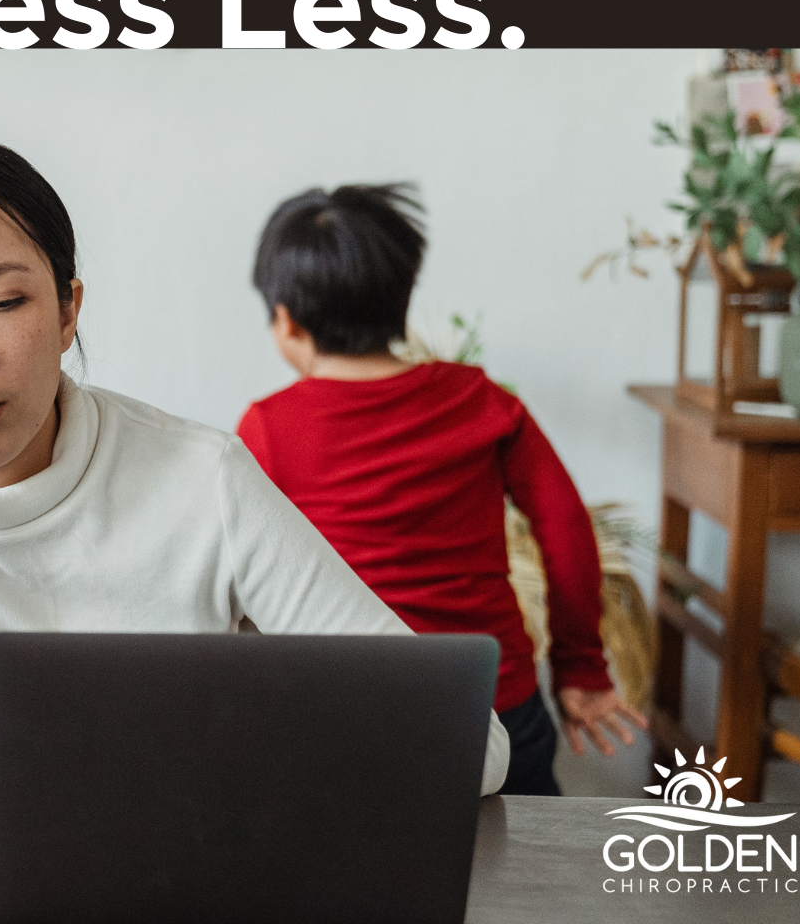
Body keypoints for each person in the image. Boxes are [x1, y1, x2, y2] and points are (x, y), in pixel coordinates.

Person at [0, 134, 509, 798]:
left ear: (66, 311)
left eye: (5, 302)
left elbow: (471, 751)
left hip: (173, 872)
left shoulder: (202, 478)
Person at [234, 184, 646, 797]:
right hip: (497, 707)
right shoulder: (482, 401)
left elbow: (245, 574)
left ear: (287, 320)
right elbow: (565, 527)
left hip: (355, 715)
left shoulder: (267, 428)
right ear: (401, 300)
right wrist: (580, 664)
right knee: (526, 879)